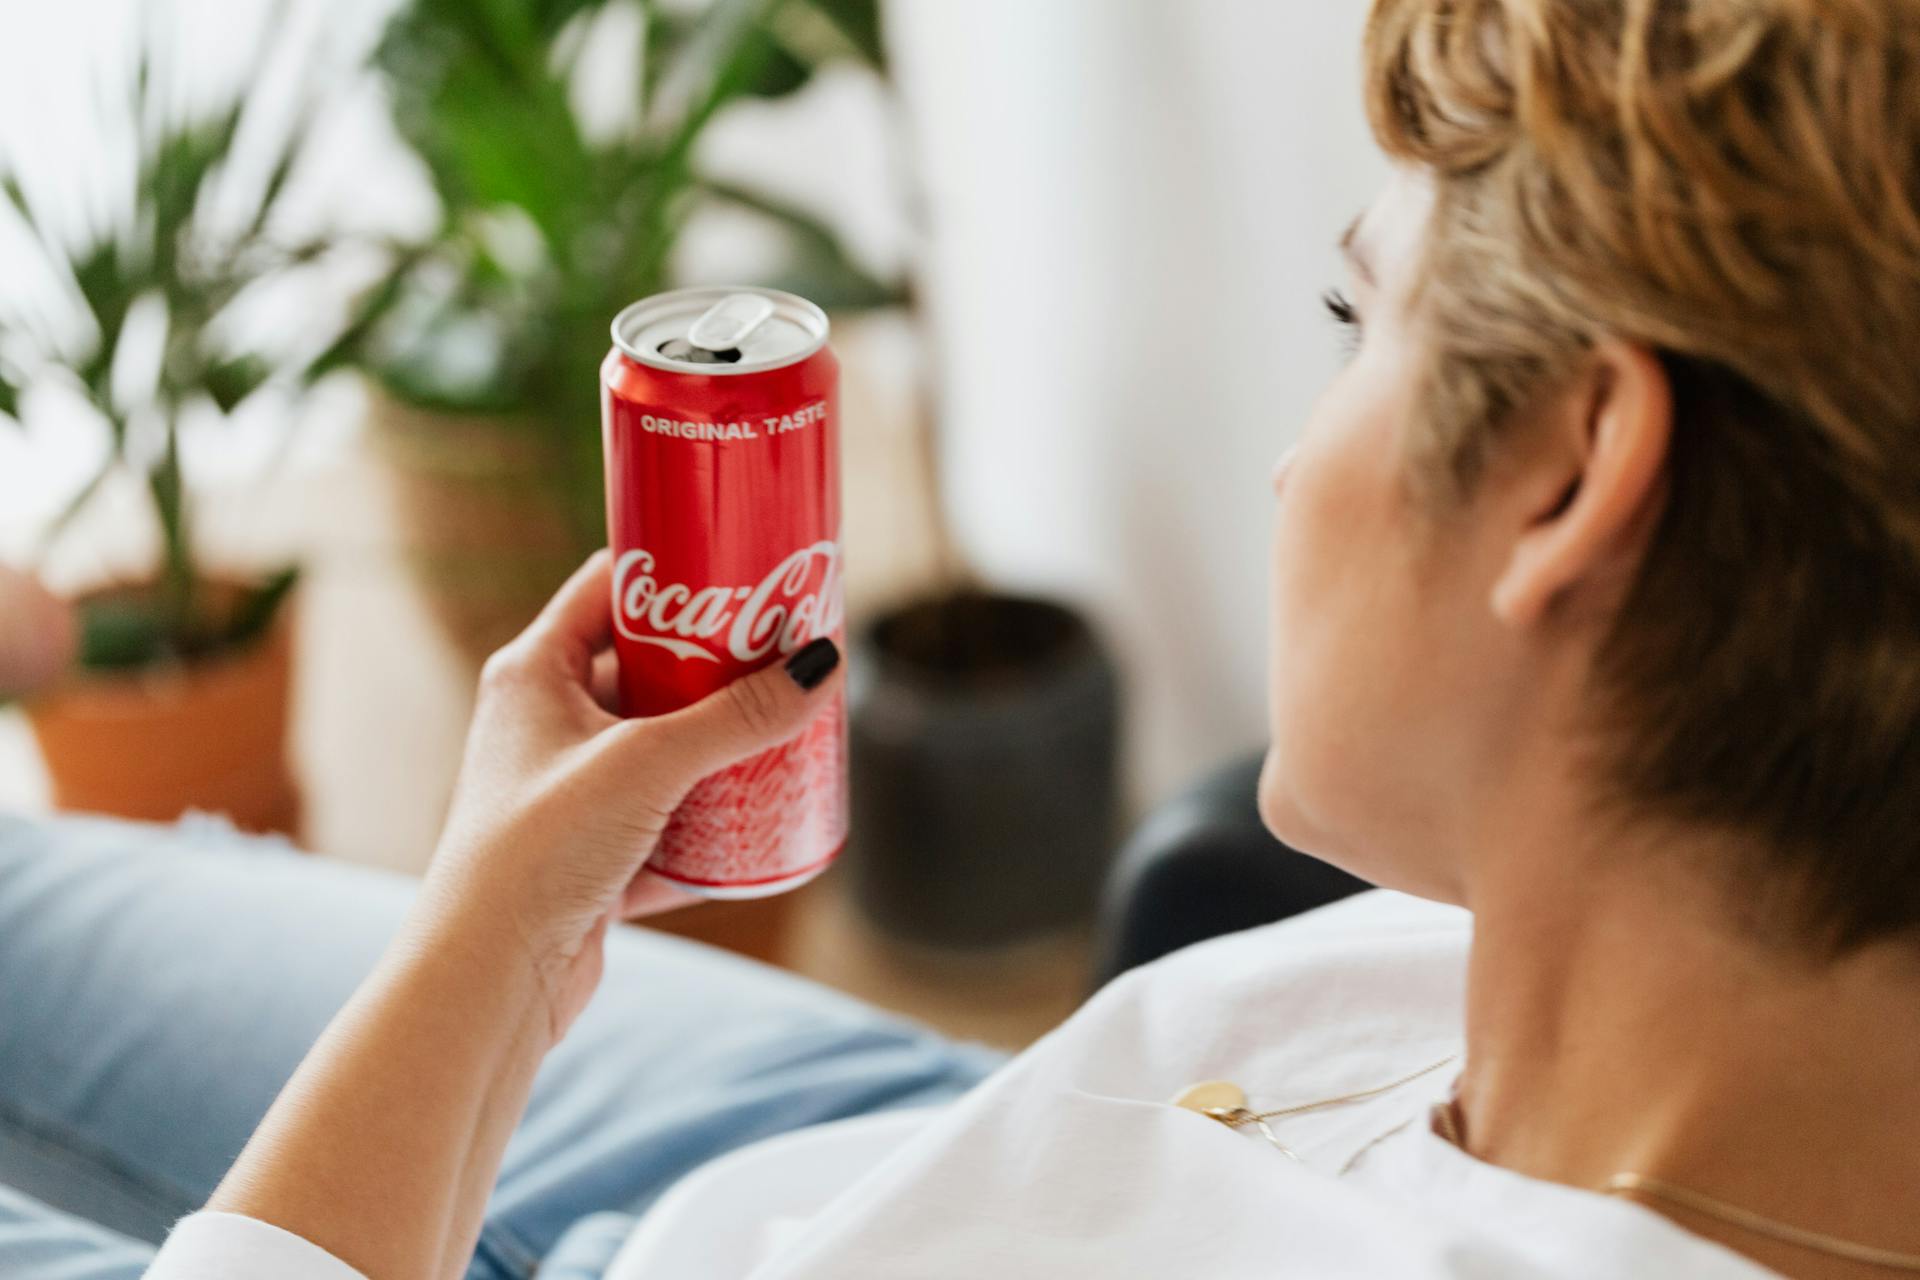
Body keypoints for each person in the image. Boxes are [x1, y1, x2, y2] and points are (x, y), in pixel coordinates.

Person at [4, 0, 1919, 1274]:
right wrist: (502, 940)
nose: (1285, 467)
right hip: (868, 1145)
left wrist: (481, 959)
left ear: (1572, 473)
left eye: (1358, 328)